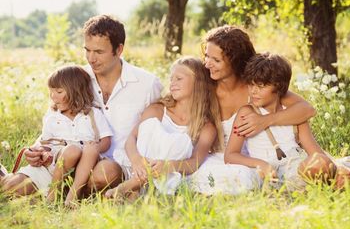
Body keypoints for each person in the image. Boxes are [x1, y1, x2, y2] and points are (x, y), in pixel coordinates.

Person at [23, 15, 163, 194]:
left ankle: (71, 193)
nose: (91, 58)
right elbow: (57, 116)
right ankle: (63, 189)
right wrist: (37, 149)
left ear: (119, 49)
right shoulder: (78, 79)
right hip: (72, 160)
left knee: (102, 174)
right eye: (87, 50)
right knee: (14, 187)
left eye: (98, 52)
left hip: (120, 166)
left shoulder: (147, 84)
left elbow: (158, 131)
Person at [188, 25, 317, 195]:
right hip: (224, 158)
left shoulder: (256, 87)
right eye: (206, 56)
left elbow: (307, 110)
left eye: (216, 60)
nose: (207, 64)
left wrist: (265, 121)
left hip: (260, 157)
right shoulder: (206, 90)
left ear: (235, 61)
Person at [224, 52, 348, 190]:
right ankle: (336, 184)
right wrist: (260, 164)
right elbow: (230, 155)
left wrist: (330, 166)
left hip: (302, 167)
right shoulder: (246, 113)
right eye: (251, 85)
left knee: (320, 161)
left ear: (279, 87)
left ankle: (337, 180)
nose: (253, 91)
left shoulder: (294, 114)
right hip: (273, 172)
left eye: (261, 86)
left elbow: (314, 151)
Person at [105, 57, 222, 200]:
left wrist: (169, 166)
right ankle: (137, 185)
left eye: (179, 78)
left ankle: (135, 188)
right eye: (171, 79)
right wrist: (136, 160)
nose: (172, 83)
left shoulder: (206, 126)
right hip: (139, 167)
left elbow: (194, 162)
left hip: (169, 175)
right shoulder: (158, 110)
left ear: (198, 83)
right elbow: (132, 139)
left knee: (180, 142)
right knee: (151, 126)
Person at [0, 66, 113, 206]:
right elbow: (45, 143)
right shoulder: (52, 116)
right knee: (10, 189)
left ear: (76, 92)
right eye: (51, 91)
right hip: (52, 168)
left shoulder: (92, 114)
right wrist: (41, 152)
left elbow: (106, 140)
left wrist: (94, 147)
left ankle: (64, 196)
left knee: (82, 150)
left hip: (84, 168)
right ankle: (8, 179)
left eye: (59, 91)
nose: (53, 96)